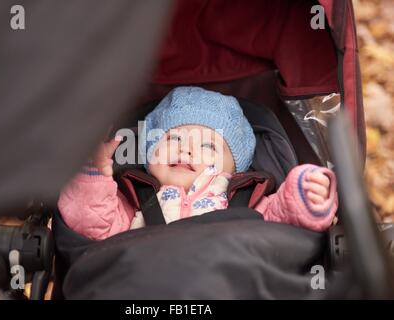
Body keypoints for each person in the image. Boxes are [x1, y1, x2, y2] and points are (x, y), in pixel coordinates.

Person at [58, 86, 338, 240]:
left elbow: (286, 217)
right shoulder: (129, 204)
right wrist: (93, 173)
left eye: (207, 145)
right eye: (174, 139)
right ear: (147, 153)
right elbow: (91, 221)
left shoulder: (252, 203)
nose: (187, 150)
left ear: (236, 168)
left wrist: (305, 194)